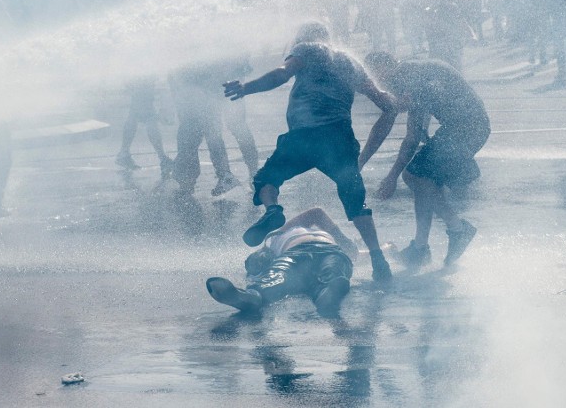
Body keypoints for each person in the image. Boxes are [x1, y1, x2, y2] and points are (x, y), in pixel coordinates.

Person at [223, 22, 396, 282]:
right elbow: (382, 99)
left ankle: (272, 210)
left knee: (266, 179)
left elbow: (282, 73)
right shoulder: (351, 63)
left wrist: (247, 88)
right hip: (339, 139)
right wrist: (395, 103)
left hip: (304, 136)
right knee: (355, 200)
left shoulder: (309, 49)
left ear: (304, 38)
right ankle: (377, 258)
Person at [362, 52, 490, 269]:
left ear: (386, 65)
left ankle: (457, 229)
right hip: (467, 128)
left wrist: (391, 177)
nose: (379, 85)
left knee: (413, 175)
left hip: (466, 129)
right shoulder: (413, 72)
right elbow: (412, 133)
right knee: (423, 181)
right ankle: (420, 248)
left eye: (376, 76)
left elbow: (411, 138)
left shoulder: (410, 75)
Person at [206, 207, 358, 317]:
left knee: (333, 269)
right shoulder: (270, 250)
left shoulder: (279, 233)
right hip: (294, 254)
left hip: (330, 250)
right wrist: (258, 262)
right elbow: (255, 268)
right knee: (278, 276)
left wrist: (342, 239)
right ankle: (249, 297)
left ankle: (328, 293)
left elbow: (316, 212)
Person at [169, 62, 242, 202]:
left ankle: (189, 182)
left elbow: (185, 79)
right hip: (201, 98)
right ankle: (222, 176)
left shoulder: (191, 58)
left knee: (191, 140)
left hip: (199, 99)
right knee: (207, 136)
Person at [115, 76, 174, 179]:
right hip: (142, 74)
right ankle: (162, 158)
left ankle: (124, 153)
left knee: (137, 111)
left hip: (137, 74)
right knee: (147, 114)